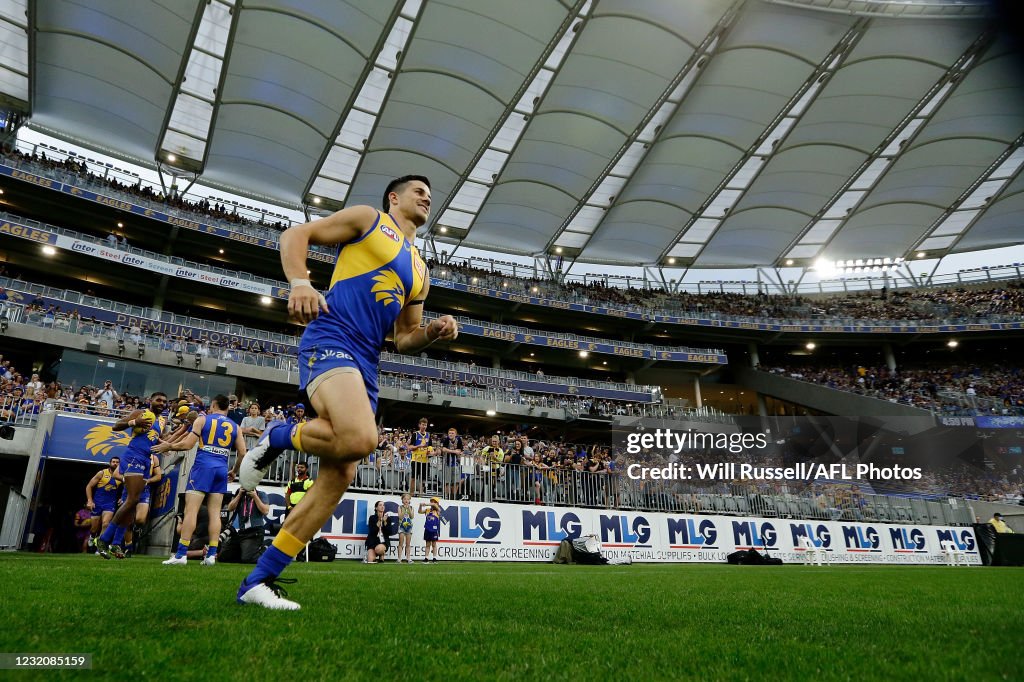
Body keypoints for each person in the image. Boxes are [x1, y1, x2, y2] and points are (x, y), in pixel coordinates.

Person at [235, 174, 457, 610]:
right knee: (361, 438)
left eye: (430, 195)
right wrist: (300, 282)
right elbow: (296, 234)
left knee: (341, 473)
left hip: (367, 362)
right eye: (418, 191)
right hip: (332, 335)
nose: (427, 197)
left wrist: (431, 332)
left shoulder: (421, 270)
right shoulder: (369, 219)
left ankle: (258, 582)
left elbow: (405, 337)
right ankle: (277, 436)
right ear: (394, 197)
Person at [153, 394, 246, 566]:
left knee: (191, 511)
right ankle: (211, 555)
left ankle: (181, 555)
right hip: (221, 469)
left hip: (203, 467)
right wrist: (234, 471)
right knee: (215, 514)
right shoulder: (236, 426)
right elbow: (242, 452)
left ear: (214, 405)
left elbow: (188, 445)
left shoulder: (203, 420)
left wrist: (170, 446)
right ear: (227, 407)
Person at [95, 392, 168, 559]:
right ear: (150, 401)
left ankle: (115, 543)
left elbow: (155, 439)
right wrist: (135, 422)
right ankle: (104, 539)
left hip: (146, 460)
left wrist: (169, 444)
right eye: (158, 400)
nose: (161, 403)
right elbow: (116, 425)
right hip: (133, 455)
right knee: (132, 500)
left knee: (132, 504)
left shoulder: (163, 420)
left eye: (164, 401)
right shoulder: (141, 413)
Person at [119, 452, 163, 556]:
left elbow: (158, 476)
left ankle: (136, 527)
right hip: (129, 490)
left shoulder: (154, 458)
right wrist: (128, 479)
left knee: (140, 519)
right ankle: (128, 547)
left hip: (144, 491)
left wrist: (148, 480)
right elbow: (117, 474)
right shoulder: (129, 455)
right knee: (127, 521)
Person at [85, 456, 122, 549]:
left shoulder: (121, 475)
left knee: (106, 524)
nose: (115, 463)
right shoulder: (102, 473)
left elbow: (128, 487)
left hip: (110, 503)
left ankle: (100, 547)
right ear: (110, 463)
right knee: (94, 528)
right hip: (97, 503)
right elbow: (89, 486)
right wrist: (90, 500)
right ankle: (92, 536)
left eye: (117, 462)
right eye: (113, 462)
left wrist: (122, 497)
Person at [226, 487, 270, 563]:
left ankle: (267, 546)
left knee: (248, 559)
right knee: (224, 557)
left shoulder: (261, 494)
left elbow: (265, 511)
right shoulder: (240, 494)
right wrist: (239, 495)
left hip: (255, 531)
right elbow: (230, 508)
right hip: (242, 532)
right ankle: (245, 552)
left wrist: (255, 497)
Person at [409, 417, 433, 496]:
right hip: (415, 459)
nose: (424, 426)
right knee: (413, 478)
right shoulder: (415, 434)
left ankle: (420, 495)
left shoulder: (428, 435)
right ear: (419, 425)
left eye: (425, 425)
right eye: (423, 425)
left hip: (425, 460)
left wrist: (430, 451)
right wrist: (419, 446)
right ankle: (411, 495)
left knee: (423, 480)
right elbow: (410, 447)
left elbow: (430, 447)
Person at [418, 497, 442, 563]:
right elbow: (419, 511)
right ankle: (426, 558)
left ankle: (434, 558)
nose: (432, 503)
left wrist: (425, 504)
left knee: (434, 544)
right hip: (428, 529)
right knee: (427, 544)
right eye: (432, 501)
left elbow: (434, 505)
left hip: (434, 530)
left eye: (434, 502)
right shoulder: (427, 510)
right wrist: (420, 505)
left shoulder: (437, 510)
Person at [396, 492, 415, 563]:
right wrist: (405, 510)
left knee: (408, 543)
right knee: (401, 542)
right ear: (402, 500)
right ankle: (399, 558)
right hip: (401, 526)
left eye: (408, 499)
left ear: (410, 500)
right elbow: (400, 516)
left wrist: (409, 509)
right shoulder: (400, 507)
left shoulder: (412, 507)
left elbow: (412, 516)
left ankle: (408, 558)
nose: (406, 500)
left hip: (409, 527)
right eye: (405, 499)